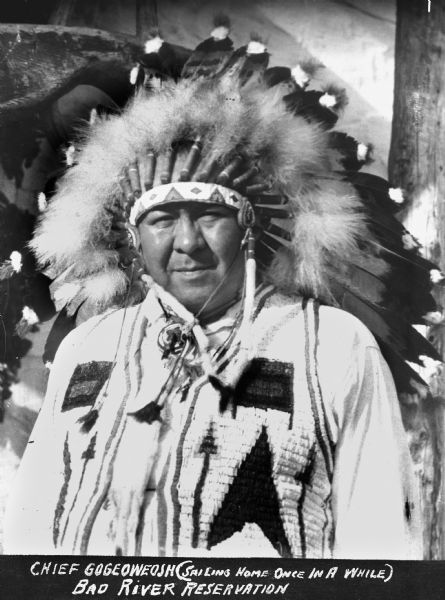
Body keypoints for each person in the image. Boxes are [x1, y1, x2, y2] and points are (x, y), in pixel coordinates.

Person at [5, 21, 431, 558]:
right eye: (161, 219)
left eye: (210, 215)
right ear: (132, 236)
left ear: (249, 227)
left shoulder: (335, 346)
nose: (187, 243)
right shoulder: (88, 347)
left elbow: (381, 544)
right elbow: (30, 530)